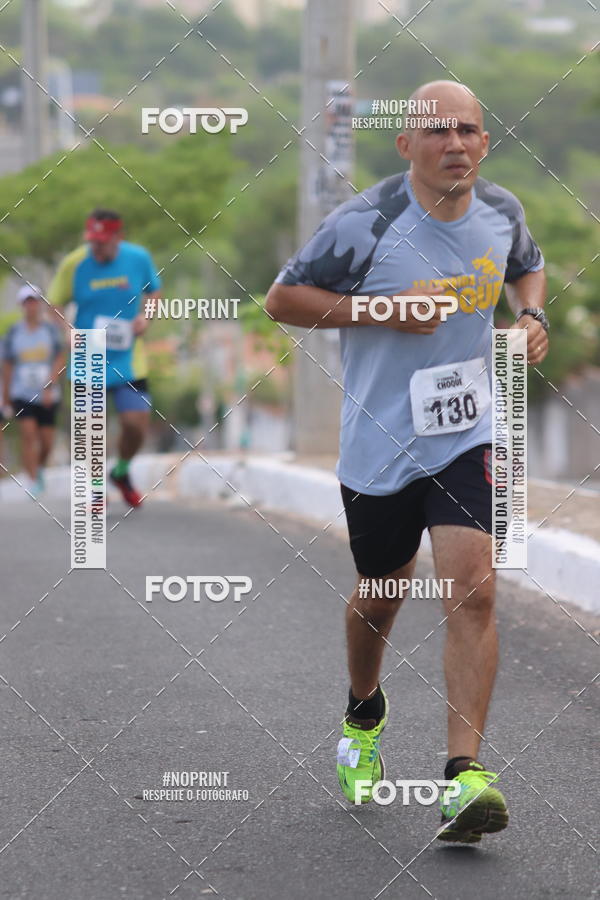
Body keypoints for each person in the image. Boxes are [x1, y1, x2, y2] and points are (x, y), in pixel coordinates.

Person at [266, 80, 549, 843]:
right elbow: (282, 300)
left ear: (484, 143)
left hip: (466, 433)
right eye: (437, 132)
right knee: (382, 592)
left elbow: (529, 265)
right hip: (378, 441)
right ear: (407, 146)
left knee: (474, 588)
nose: (454, 144)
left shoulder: (503, 213)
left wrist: (531, 314)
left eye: (469, 130)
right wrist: (381, 307)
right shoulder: (365, 224)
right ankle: (364, 710)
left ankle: (464, 779)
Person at [48, 209, 161, 507]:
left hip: (128, 358)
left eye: (102, 242)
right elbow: (55, 304)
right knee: (90, 428)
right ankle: (96, 489)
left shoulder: (138, 258)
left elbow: (155, 294)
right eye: (92, 241)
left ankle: (121, 472)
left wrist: (145, 320)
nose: (95, 248)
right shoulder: (74, 263)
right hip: (88, 356)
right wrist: (68, 331)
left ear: (118, 237)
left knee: (136, 424)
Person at [2, 284, 65, 496]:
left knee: (46, 441)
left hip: (47, 393)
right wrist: (7, 395)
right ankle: (32, 480)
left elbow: (61, 356)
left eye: (35, 301)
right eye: (28, 301)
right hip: (22, 392)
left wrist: (51, 383)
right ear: (22, 305)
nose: (32, 305)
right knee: (28, 435)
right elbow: (8, 364)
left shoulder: (50, 331)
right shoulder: (14, 333)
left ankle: (39, 469)